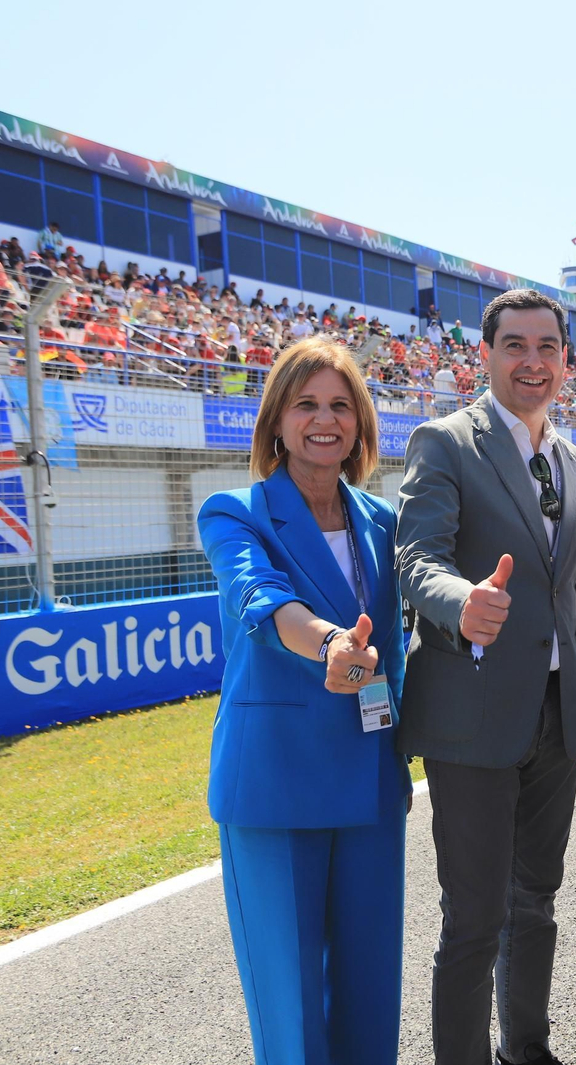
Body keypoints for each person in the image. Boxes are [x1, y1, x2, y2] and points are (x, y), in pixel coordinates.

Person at [397, 288, 576, 1065]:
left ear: (565, 358)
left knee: (537, 902)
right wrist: (463, 603)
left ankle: (527, 1047)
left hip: (557, 713)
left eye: (546, 346)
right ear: (486, 355)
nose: (532, 360)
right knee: (475, 916)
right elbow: (415, 557)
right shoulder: (445, 440)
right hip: (473, 714)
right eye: (514, 345)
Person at [196, 337, 410, 1065]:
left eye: (340, 405)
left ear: (360, 422)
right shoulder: (235, 510)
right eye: (307, 403)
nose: (325, 419)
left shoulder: (381, 519)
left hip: (372, 779)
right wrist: (328, 646)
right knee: (291, 1016)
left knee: (371, 995)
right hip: (275, 787)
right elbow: (258, 595)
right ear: (277, 420)